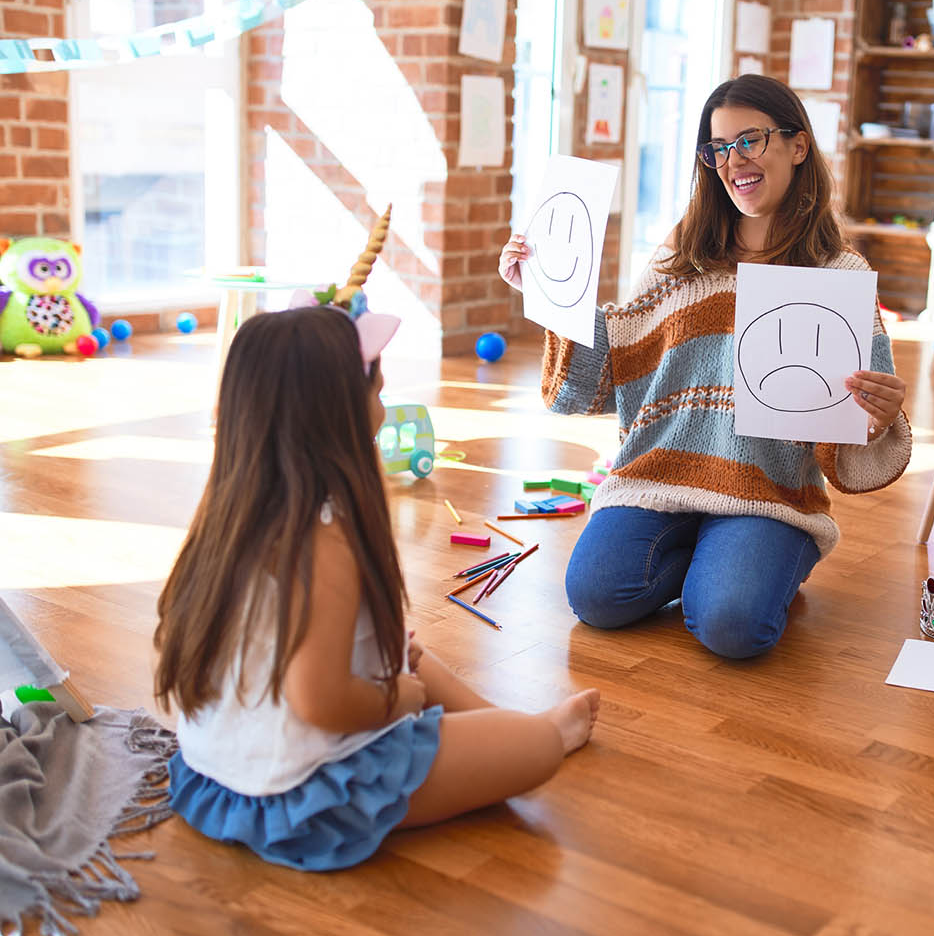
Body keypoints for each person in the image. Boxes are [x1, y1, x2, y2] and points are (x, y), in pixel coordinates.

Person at [152, 299, 600, 872]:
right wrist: (400, 698)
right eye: (377, 393)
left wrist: (396, 671)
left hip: (220, 767)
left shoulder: (231, 511)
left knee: (408, 650)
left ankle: (509, 725)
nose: (384, 411)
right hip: (305, 792)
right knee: (533, 751)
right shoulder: (325, 539)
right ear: (336, 412)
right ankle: (534, 733)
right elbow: (319, 701)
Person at [499, 74, 912, 659]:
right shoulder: (683, 250)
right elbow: (621, 350)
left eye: (750, 140)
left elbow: (853, 425)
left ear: (798, 147)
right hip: (661, 477)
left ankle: (751, 560)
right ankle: (715, 558)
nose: (732, 160)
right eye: (717, 148)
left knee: (731, 628)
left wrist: (880, 414)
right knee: (595, 597)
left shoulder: (837, 273)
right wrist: (547, 291)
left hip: (765, 492)